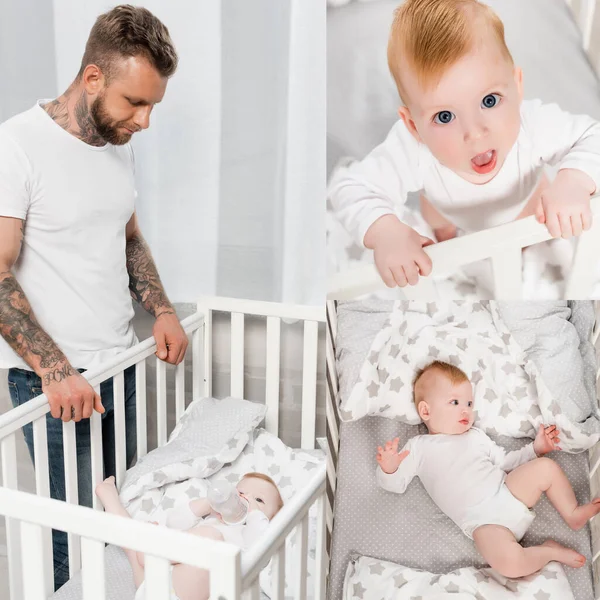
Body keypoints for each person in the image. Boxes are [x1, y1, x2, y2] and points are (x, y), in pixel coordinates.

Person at [0, 5, 188, 590]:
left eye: (153, 104)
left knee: (122, 514)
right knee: (74, 537)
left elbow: (126, 236)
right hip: (57, 381)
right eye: (136, 102)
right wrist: (55, 370)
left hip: (118, 364)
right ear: (92, 78)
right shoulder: (16, 145)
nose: (146, 120)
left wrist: (161, 308)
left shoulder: (117, 144)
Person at [329, 0, 600, 288]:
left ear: (517, 86)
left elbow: (592, 135)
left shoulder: (533, 124)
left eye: (489, 100)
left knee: (539, 231)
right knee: (438, 235)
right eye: (444, 116)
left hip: (527, 215)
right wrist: (385, 231)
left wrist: (573, 181)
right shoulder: (412, 148)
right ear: (413, 125)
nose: (474, 133)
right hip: (449, 221)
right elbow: (350, 186)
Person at [376, 361, 600, 577]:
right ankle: (549, 552)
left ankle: (572, 513)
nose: (466, 410)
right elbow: (396, 486)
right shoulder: (419, 447)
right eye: (455, 402)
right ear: (426, 411)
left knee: (545, 468)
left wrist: (535, 449)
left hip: (507, 490)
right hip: (484, 524)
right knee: (510, 565)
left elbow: (506, 462)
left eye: (469, 403)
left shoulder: (475, 436)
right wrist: (390, 469)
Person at [96, 472, 284, 600]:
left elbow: (259, 540)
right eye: (240, 493)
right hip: (156, 581)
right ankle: (109, 497)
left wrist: (253, 514)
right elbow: (174, 523)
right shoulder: (213, 517)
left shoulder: (251, 534)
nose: (246, 498)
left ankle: (150, 548)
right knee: (132, 539)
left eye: (259, 500)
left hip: (181, 592)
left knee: (212, 538)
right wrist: (208, 504)